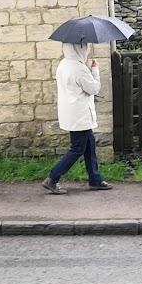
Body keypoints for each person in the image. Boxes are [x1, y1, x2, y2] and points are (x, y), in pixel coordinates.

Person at [42, 42, 113, 194]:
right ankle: (52, 178)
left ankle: (95, 179)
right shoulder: (79, 68)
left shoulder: (64, 64)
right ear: (79, 48)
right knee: (77, 149)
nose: (86, 49)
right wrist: (95, 70)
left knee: (90, 145)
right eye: (85, 46)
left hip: (72, 113)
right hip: (80, 114)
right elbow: (94, 88)